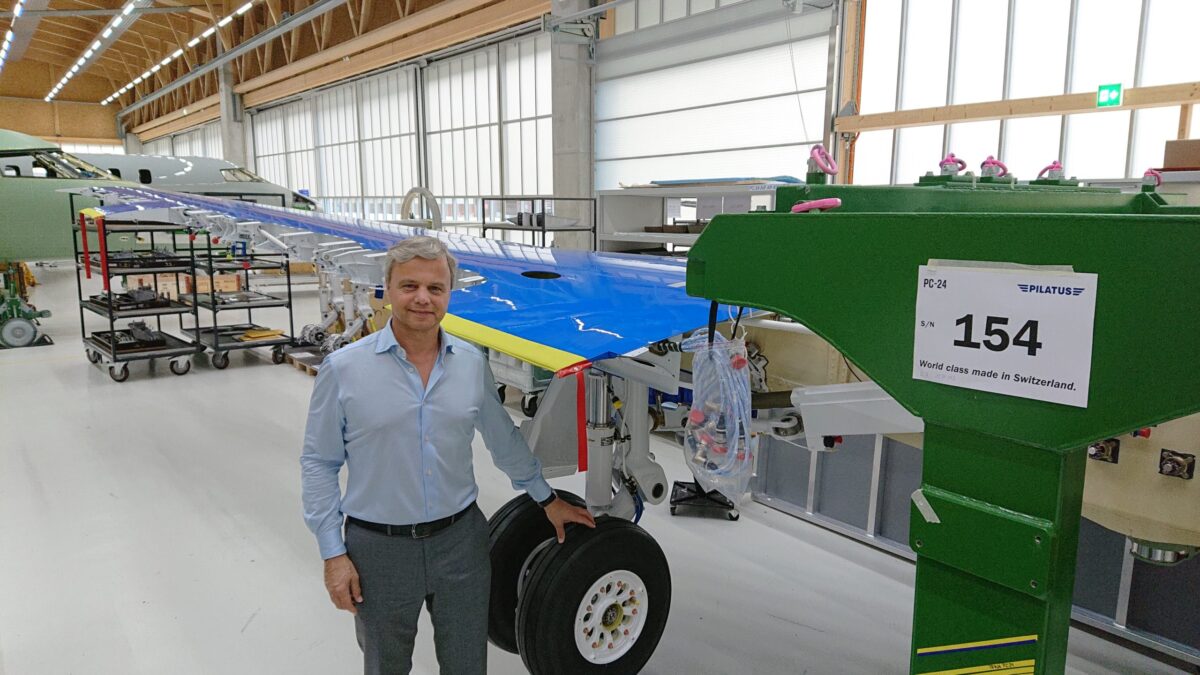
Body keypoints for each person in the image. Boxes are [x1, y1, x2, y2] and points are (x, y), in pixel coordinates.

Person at [300, 236, 596, 674]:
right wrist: (332, 554)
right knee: (386, 665)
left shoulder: (470, 364)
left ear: (448, 295)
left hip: (460, 543)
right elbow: (319, 463)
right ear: (388, 288)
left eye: (436, 288)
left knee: (466, 664)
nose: (423, 298)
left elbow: (502, 439)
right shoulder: (344, 370)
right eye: (410, 286)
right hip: (378, 549)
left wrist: (546, 499)